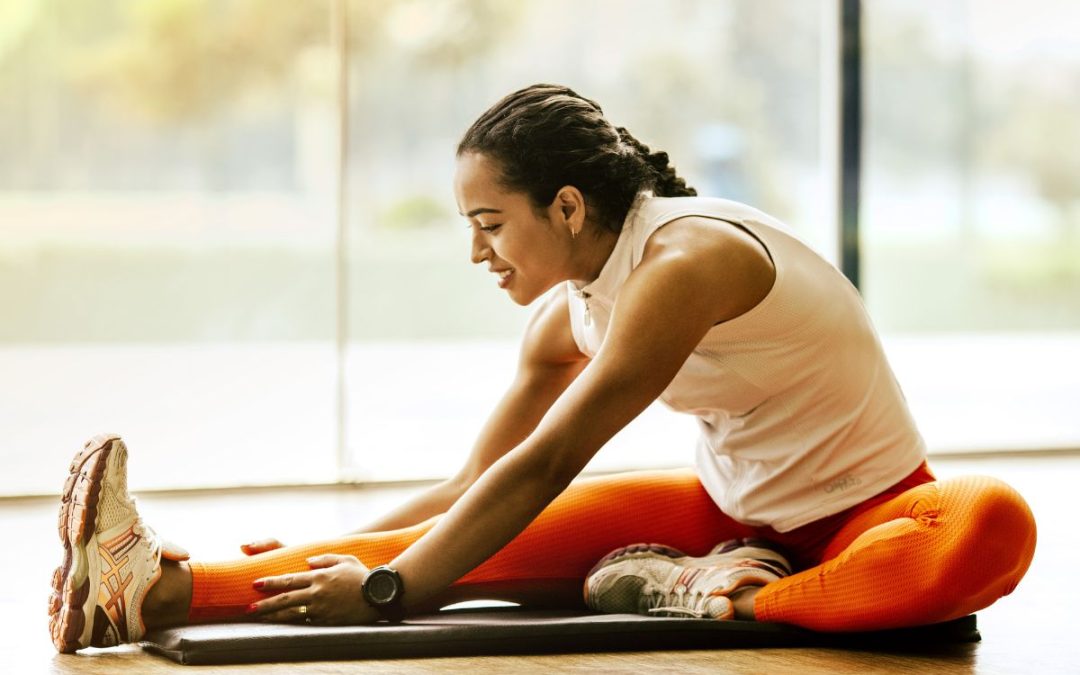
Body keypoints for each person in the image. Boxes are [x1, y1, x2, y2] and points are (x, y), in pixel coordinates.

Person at [49, 84, 1036, 653]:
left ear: (566, 207)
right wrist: (323, 553)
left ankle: (723, 596)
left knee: (995, 523)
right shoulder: (569, 314)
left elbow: (554, 456)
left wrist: (396, 592)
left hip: (875, 518)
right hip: (729, 519)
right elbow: (473, 491)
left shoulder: (687, 265)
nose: (478, 252)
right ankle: (139, 591)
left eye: (490, 224)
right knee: (453, 537)